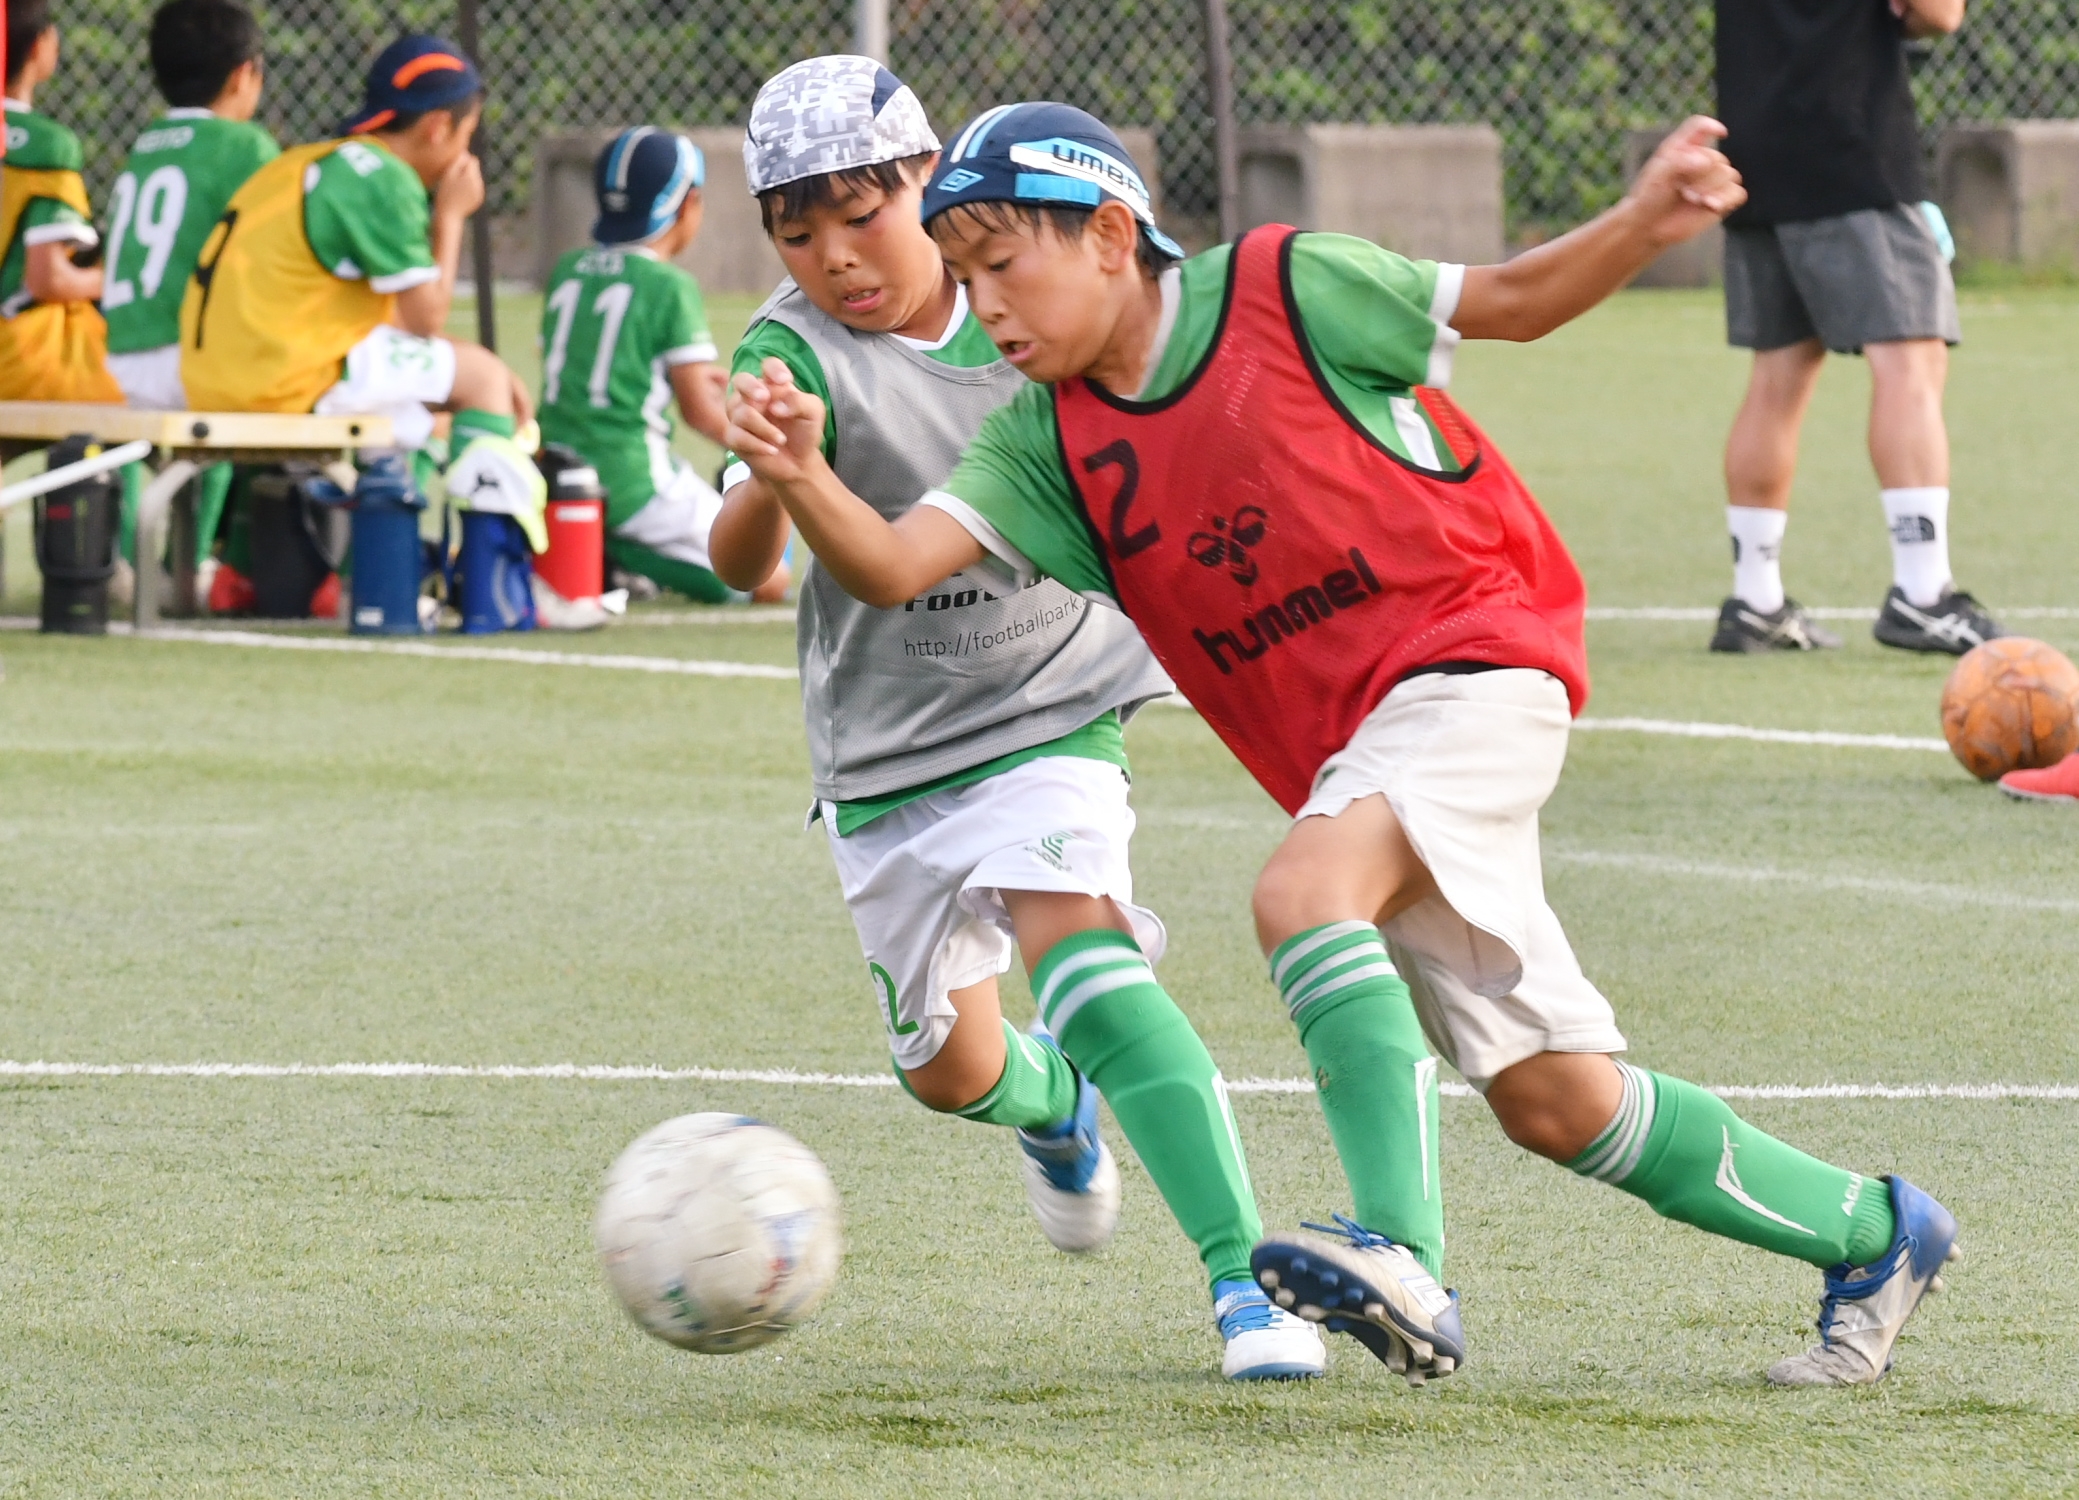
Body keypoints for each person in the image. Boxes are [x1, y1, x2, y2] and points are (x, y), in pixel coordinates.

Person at [726, 103, 1961, 1389]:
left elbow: (1514, 301)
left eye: (1002, 265)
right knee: (1555, 1099)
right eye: (964, 276)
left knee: (1302, 894)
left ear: (1108, 235)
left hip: (1476, 654)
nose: (985, 306)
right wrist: (801, 473)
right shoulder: (1046, 439)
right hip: (1358, 753)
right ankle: (1873, 1234)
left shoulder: (1283, 286)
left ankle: (1401, 1255)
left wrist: (1649, 219)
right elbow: (890, 567)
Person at [708, 57, 1322, 1381]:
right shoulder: (786, 351)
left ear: (927, 181)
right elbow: (738, 561)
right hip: (886, 753)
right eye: (796, 234)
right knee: (946, 1070)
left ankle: (1246, 1284)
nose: (835, 258)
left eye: (860, 216)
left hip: (1053, 707)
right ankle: (1056, 1105)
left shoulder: (1026, 299)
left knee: (1087, 964)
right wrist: (775, 471)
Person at [179, 29, 544, 612]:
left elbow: (386, 321)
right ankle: (489, 588)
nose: (467, 155)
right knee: (484, 381)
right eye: (467, 134)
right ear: (437, 127)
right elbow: (424, 319)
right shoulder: (383, 176)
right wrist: (450, 217)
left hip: (217, 372)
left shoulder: (308, 160)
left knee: (428, 392)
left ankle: (369, 577)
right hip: (280, 373)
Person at [1710, 0, 1998, 655]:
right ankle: (1923, 593)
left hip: (1753, 148)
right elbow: (1938, 14)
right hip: (1849, 140)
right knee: (1911, 358)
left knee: (1778, 372)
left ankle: (1755, 600)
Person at [537, 127, 786, 605]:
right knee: (767, 579)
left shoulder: (568, 269)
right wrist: (764, 451)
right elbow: (698, 411)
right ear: (689, 203)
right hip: (632, 477)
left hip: (558, 466)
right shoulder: (670, 287)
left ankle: (600, 542)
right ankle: (619, 554)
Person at [102, 0, 277, 605]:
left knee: (129, 434)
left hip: (113, 362)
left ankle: (125, 561)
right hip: (183, 366)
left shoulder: (145, 144)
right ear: (243, 74)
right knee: (229, 393)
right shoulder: (245, 146)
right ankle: (190, 565)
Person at [0, 0, 121, 402]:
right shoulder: (48, 145)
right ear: (39, 46)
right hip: (17, 361)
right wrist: (117, 281)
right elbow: (47, 279)